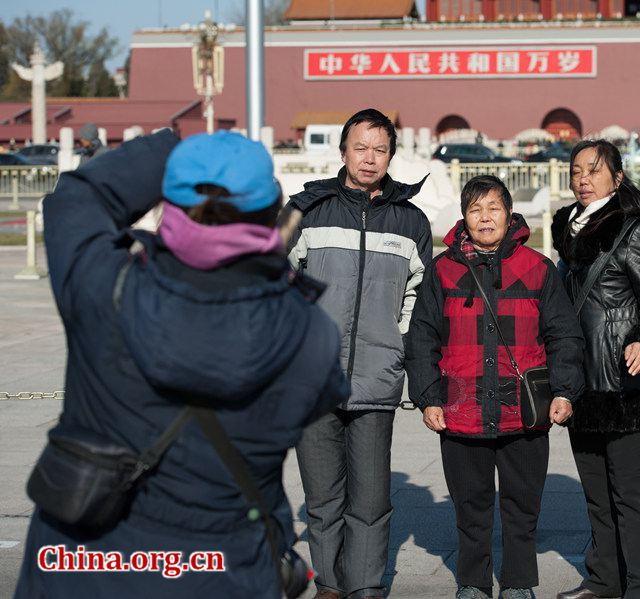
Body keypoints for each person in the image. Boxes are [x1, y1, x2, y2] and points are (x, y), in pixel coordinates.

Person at [14, 130, 349, 598]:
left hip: (81, 564)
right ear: (273, 212)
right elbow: (320, 397)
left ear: (168, 202)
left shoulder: (104, 286)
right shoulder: (309, 332)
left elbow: (78, 196)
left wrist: (175, 147)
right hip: (225, 569)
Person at [406, 175, 585, 599]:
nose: (485, 218)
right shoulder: (443, 269)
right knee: (471, 506)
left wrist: (565, 390)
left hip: (523, 410)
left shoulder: (537, 268)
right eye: (475, 210)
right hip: (461, 408)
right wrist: (429, 397)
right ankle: (472, 581)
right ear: (464, 218)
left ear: (508, 214)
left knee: (522, 506)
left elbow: (565, 335)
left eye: (493, 209)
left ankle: (519, 582)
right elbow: (422, 338)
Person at [279, 108, 433, 599]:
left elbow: (419, 296)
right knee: (322, 499)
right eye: (360, 147)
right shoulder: (305, 211)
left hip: (376, 378)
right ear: (343, 151)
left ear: (392, 155)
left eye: (380, 149)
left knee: (369, 500)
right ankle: (328, 584)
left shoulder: (410, 221)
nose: (370, 158)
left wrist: (398, 344)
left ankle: (365, 587)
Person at [552, 139, 640, 599]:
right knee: (596, 496)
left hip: (625, 385)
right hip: (580, 383)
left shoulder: (633, 228)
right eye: (577, 170)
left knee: (630, 497)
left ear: (617, 178)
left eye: (594, 170)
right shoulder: (567, 227)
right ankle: (604, 580)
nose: (583, 178)